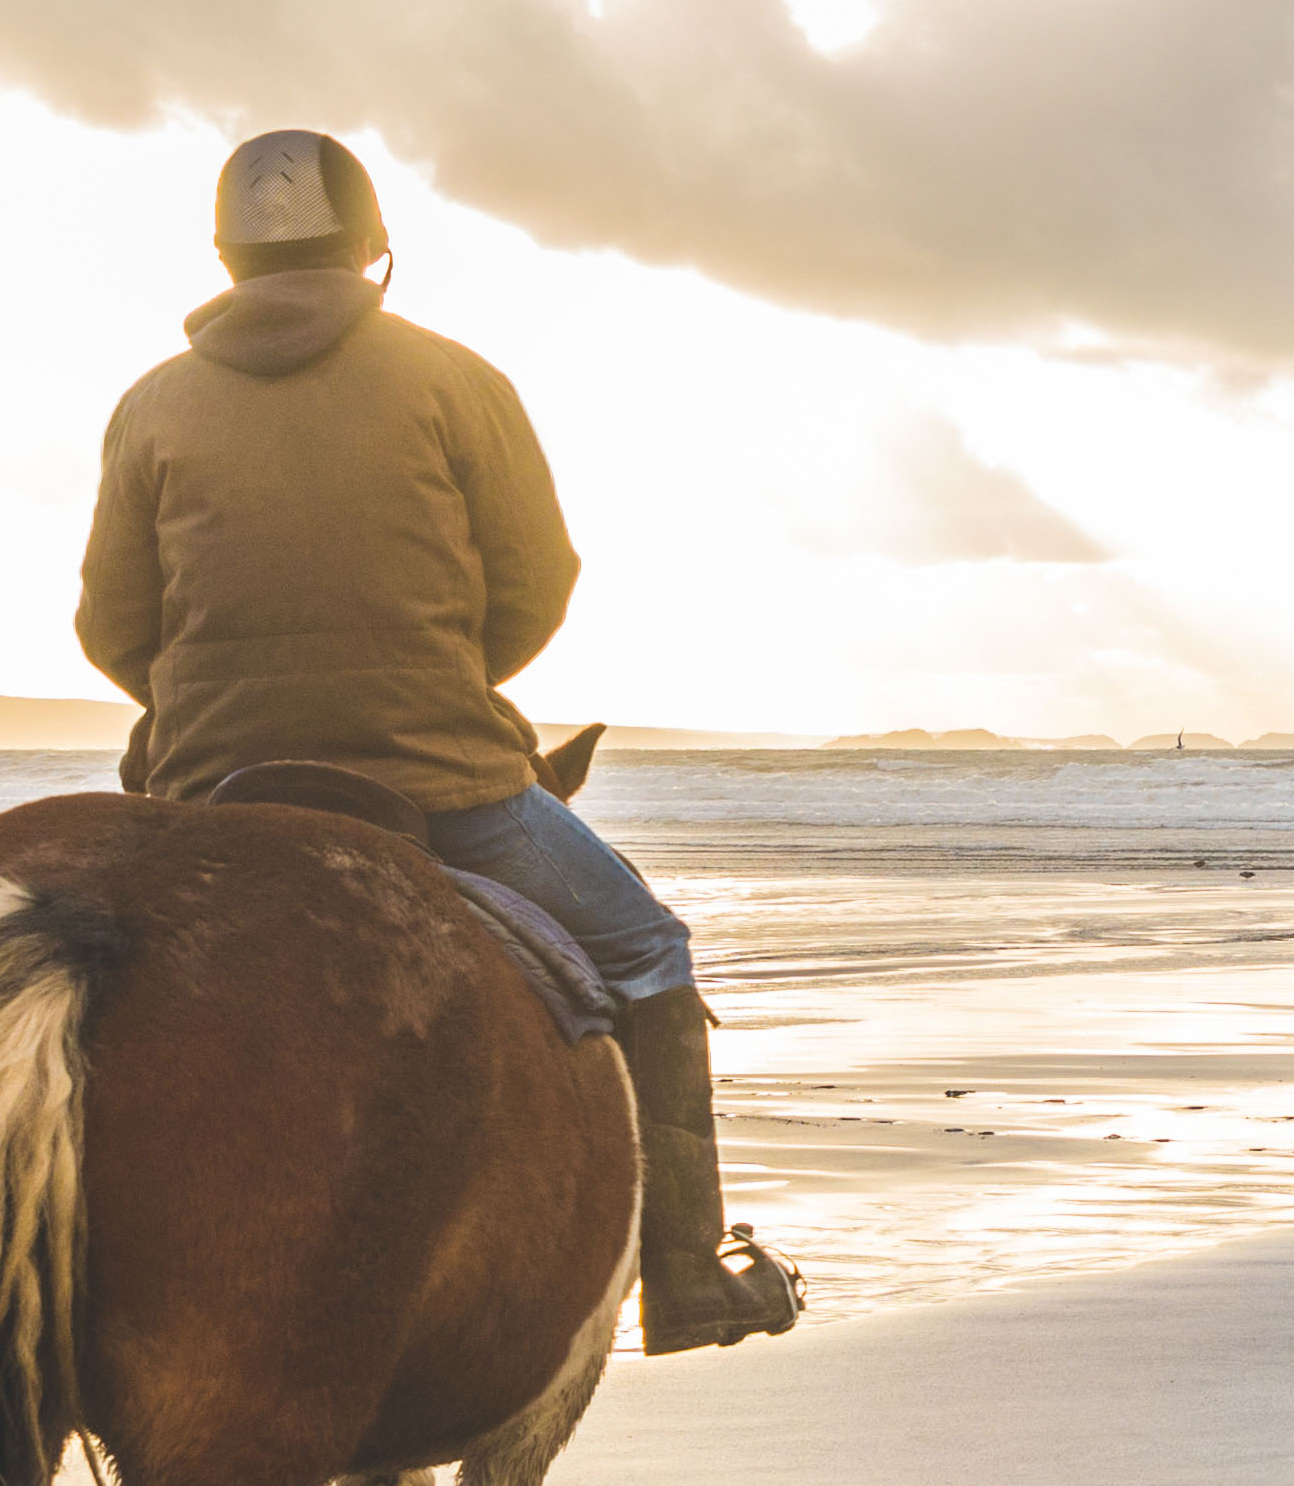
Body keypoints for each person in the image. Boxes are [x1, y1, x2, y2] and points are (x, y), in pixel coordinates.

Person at [76, 127, 802, 1349]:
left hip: (213, 795)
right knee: (648, 958)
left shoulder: (151, 406)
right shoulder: (459, 380)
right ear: (375, 250)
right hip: (446, 781)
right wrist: (436, 682)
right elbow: (536, 581)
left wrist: (214, 712)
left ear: (226, 253)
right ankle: (684, 1278)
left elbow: (112, 625)